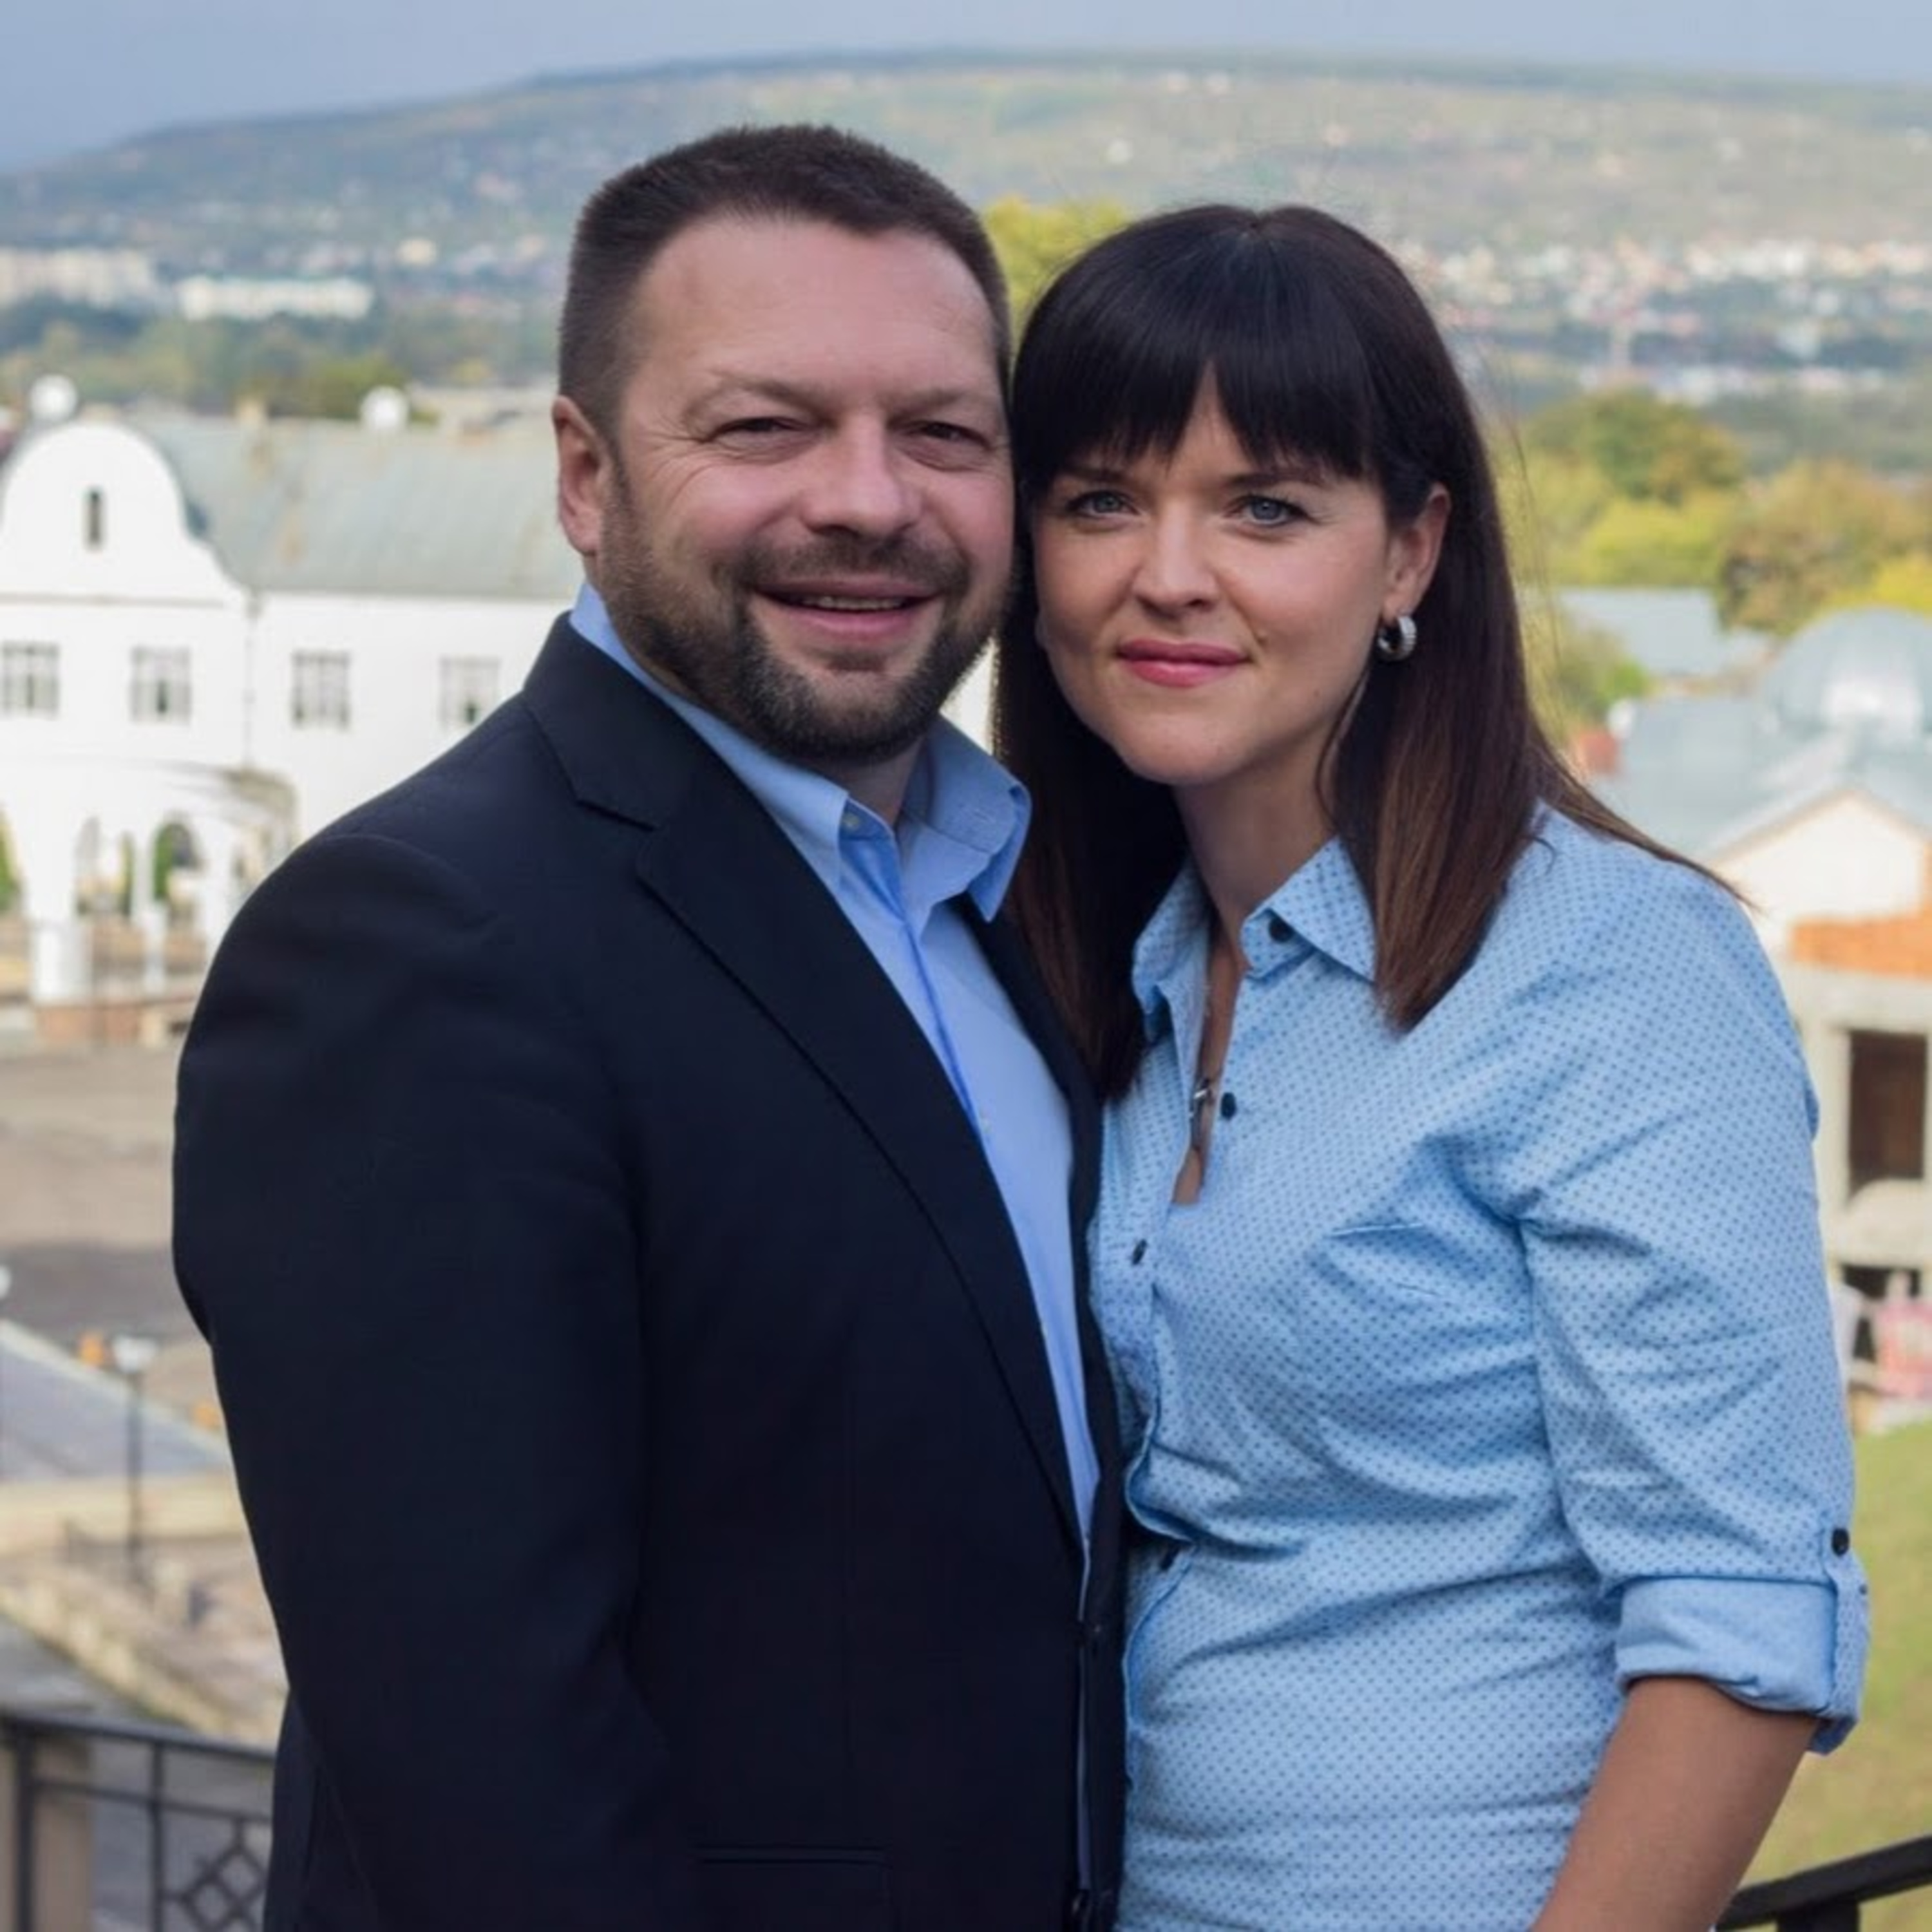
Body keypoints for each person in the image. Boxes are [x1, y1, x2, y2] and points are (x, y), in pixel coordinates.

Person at [173, 124, 1124, 1932]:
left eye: (943, 433)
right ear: (584, 474)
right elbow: (485, 1782)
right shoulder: (417, 946)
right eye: (765, 428)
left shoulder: (1014, 899)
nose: (870, 500)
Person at [993, 202, 1868, 1931]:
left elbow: (1742, 1617)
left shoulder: (1610, 965)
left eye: (1265, 507)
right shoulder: (1122, 962)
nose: (1168, 572)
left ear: (1410, 554)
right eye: (1100, 500)